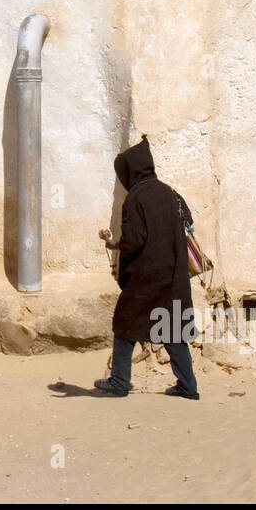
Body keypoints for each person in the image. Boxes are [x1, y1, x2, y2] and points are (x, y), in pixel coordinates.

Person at [95, 135, 200, 400]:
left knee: (125, 324)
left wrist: (115, 246)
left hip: (147, 277)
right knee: (173, 329)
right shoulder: (171, 193)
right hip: (175, 276)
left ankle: (119, 382)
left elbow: (135, 241)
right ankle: (188, 386)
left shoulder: (136, 198)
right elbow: (188, 222)